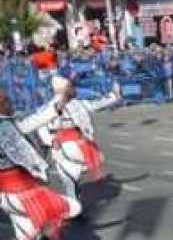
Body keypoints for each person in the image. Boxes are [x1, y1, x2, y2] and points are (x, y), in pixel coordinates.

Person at [0, 88, 82, 240]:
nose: (10, 102)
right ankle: (48, 227)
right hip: (22, 192)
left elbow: (34, 120)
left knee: (26, 239)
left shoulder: (10, 123)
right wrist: (38, 167)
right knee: (73, 207)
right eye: (6, 99)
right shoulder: (5, 126)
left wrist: (60, 101)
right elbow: (22, 149)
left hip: (5, 195)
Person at [30, 76, 121, 214]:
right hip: (62, 147)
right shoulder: (50, 107)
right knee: (69, 180)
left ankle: (74, 205)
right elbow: (40, 125)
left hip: (81, 144)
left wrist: (114, 96)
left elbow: (97, 104)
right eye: (71, 87)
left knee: (75, 178)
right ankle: (74, 210)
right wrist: (50, 140)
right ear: (64, 90)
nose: (74, 89)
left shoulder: (78, 103)